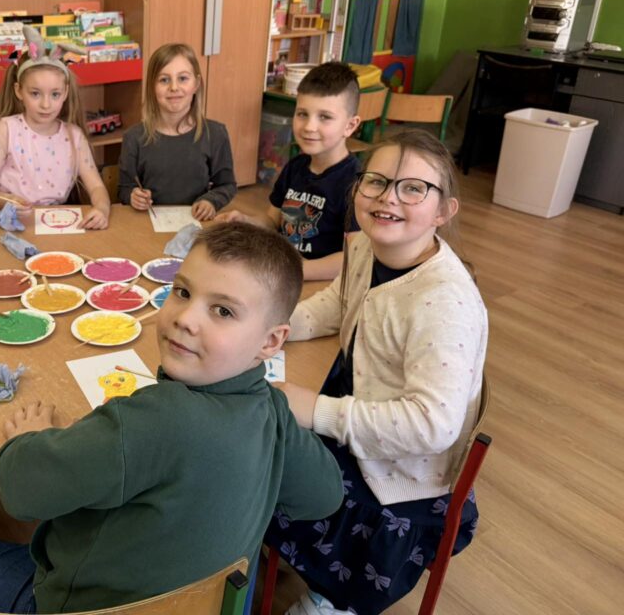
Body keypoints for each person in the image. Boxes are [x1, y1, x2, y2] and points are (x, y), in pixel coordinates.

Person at [0, 223, 344, 613]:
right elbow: (324, 497)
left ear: (271, 341)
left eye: (223, 311)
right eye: (183, 291)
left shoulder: (153, 419)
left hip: (82, 605)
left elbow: (20, 491)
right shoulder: (270, 408)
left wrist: (27, 438)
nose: (185, 319)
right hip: (206, 607)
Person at [266, 131, 487, 615]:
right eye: (377, 181)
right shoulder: (365, 246)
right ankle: (270, 540)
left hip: (399, 473)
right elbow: (337, 303)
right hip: (360, 406)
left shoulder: (444, 302)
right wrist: (271, 329)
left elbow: (432, 425)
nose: (389, 197)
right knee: (258, 443)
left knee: (266, 458)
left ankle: (331, 599)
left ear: (444, 211)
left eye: (414, 188)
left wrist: (317, 410)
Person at [217, 62, 362, 280]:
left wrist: (298, 271)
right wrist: (245, 220)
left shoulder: (357, 184)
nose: (309, 127)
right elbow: (273, 221)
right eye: (302, 114)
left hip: (321, 284)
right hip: (284, 273)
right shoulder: (295, 167)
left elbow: (354, 258)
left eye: (325, 117)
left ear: (350, 126)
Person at [0, 27, 112, 230]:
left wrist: (102, 209)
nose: (46, 105)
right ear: (19, 91)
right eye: (35, 93)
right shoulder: (6, 130)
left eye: (55, 94)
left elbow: (97, 186)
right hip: (13, 221)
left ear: (65, 93)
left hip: (59, 223)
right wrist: (8, 201)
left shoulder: (74, 135)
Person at [117, 43, 237, 221]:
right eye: (164, 80)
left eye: (182, 78)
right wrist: (133, 196)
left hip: (197, 223)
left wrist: (210, 201)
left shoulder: (216, 134)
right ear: (151, 86)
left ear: (196, 84)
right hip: (148, 224)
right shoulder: (133, 137)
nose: (174, 87)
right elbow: (124, 189)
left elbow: (227, 185)